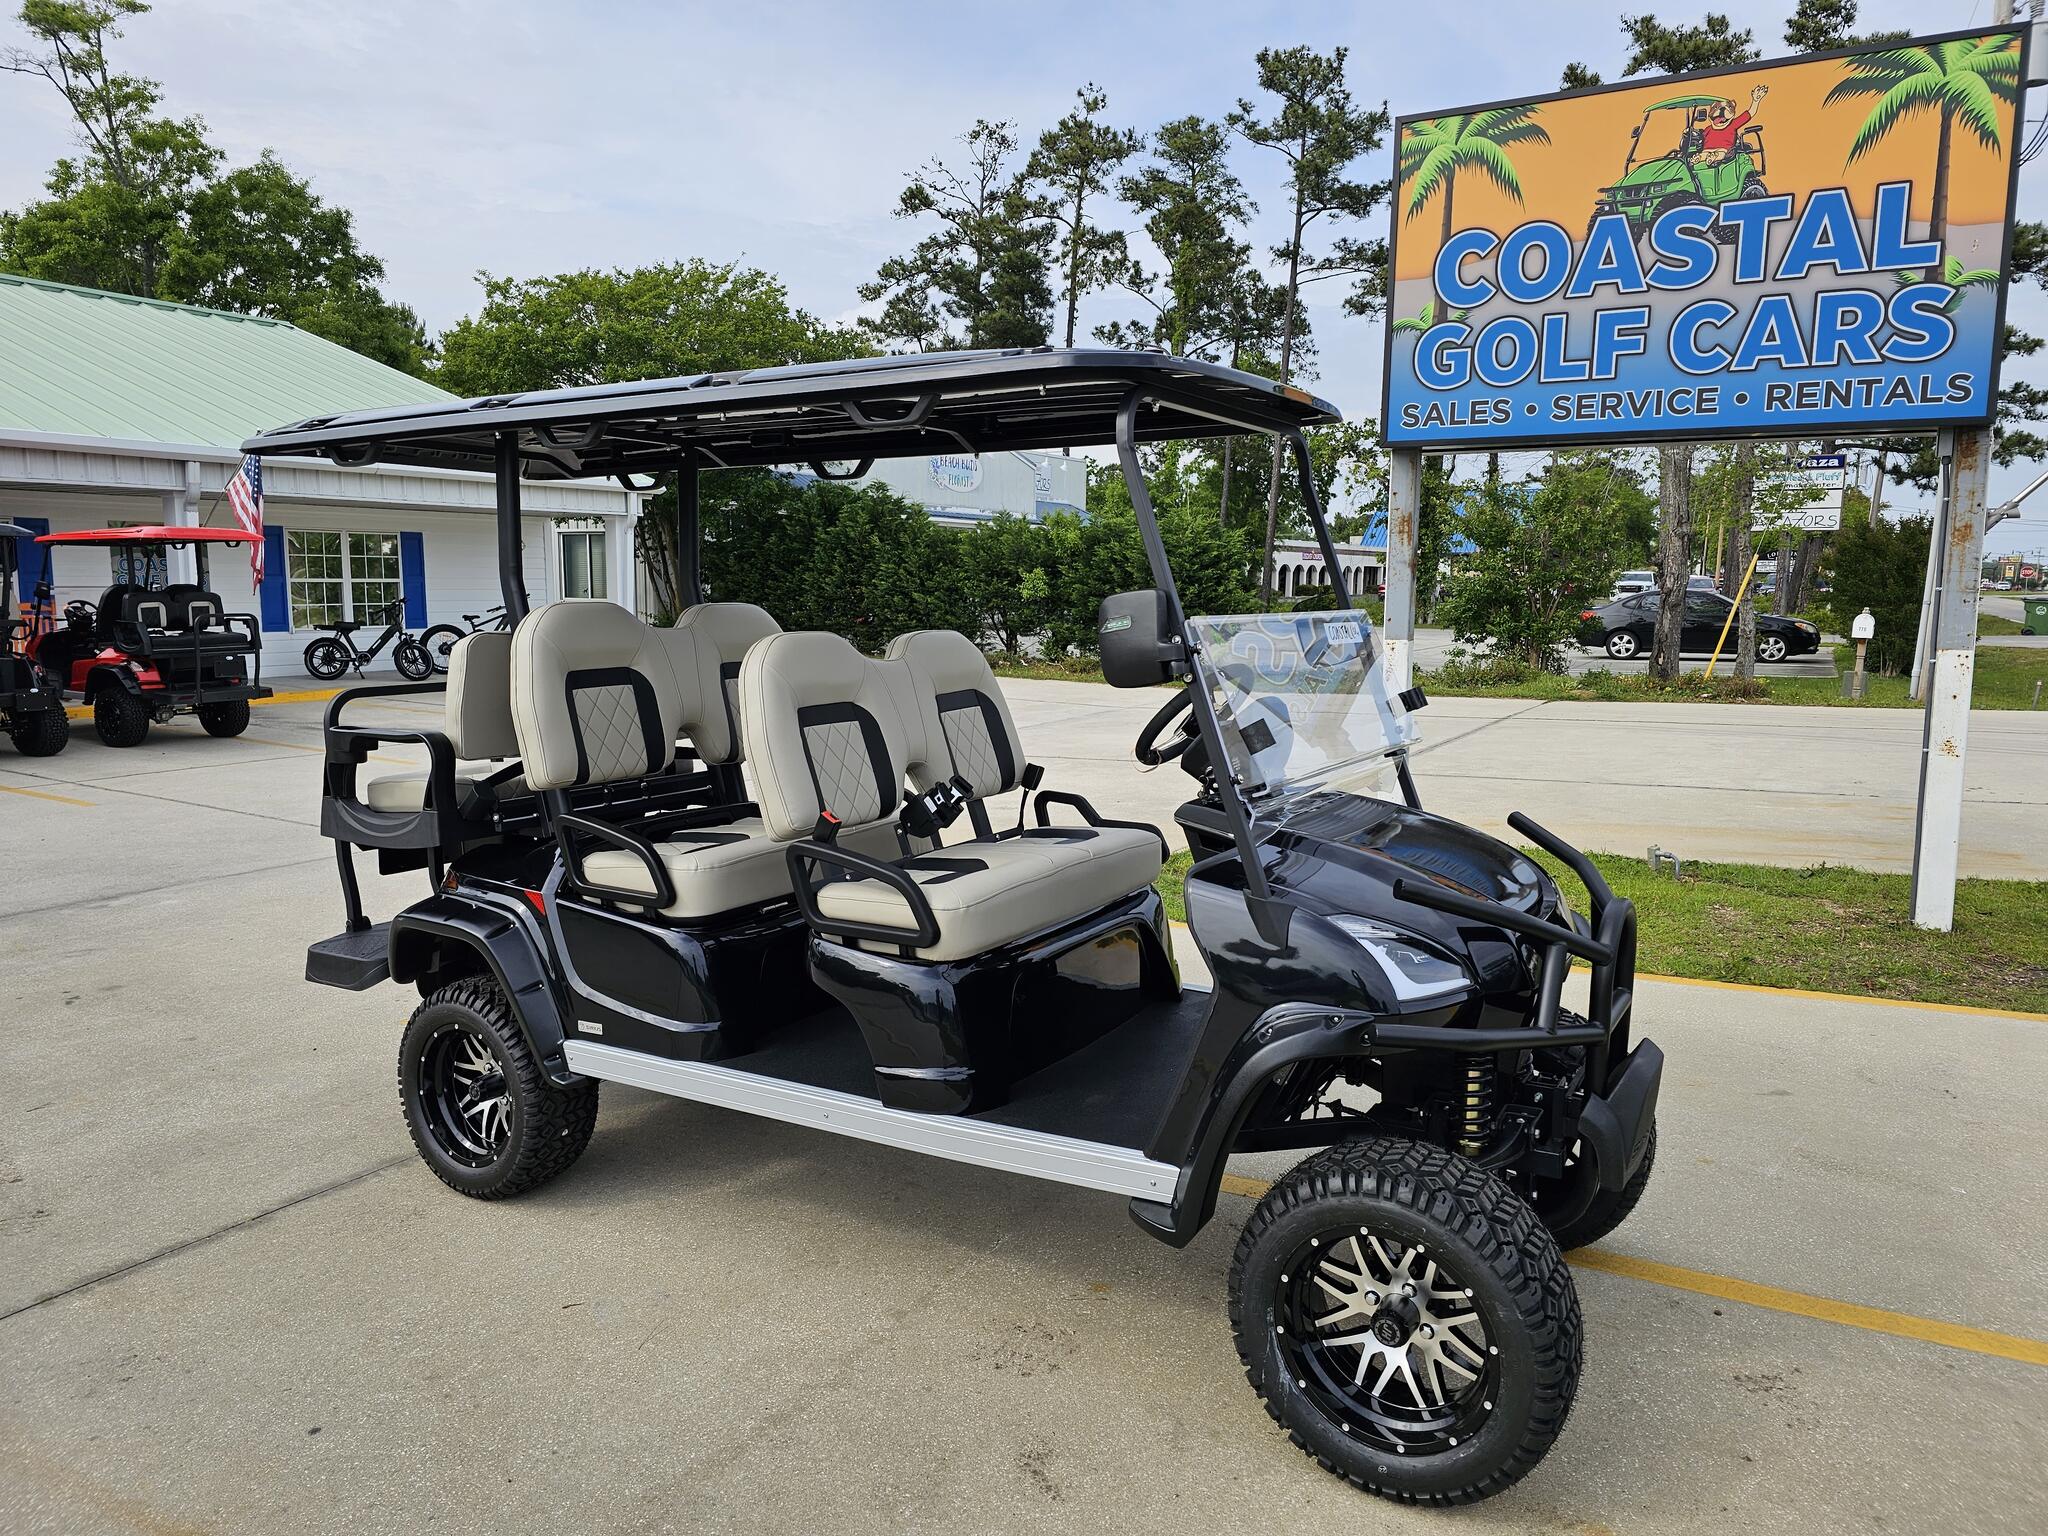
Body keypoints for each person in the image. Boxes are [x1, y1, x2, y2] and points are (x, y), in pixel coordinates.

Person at [1696, 84, 1766, 165]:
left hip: (1724, 151)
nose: (1722, 110)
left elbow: (1749, 114)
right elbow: (1699, 135)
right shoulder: (1708, 129)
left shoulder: (1732, 125)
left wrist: (1755, 101)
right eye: (1716, 108)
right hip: (1707, 150)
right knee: (1703, 154)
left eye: (1728, 107)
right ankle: (1699, 158)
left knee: (1721, 153)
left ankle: (1714, 157)